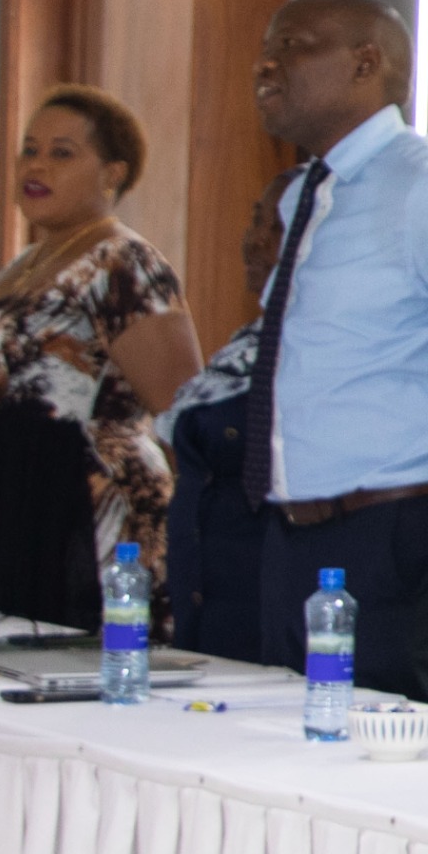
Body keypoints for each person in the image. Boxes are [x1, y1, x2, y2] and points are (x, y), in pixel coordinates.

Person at [244, 0, 428, 701]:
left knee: (389, 754)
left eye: (292, 45)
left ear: (365, 64)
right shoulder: (307, 196)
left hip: (393, 537)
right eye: (266, 47)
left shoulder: (424, 188)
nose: (266, 64)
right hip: (295, 535)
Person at [0, 87, 198, 628]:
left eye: (62, 153)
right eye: (29, 149)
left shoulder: (124, 262)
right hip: (23, 496)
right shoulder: (21, 265)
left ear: (113, 173)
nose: (37, 165)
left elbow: (181, 408)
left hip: (94, 510)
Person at [162, 192, 282, 659]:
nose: (256, 241)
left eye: (278, 227)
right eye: (255, 221)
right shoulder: (244, 345)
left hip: (267, 600)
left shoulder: (330, 355)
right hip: (204, 600)